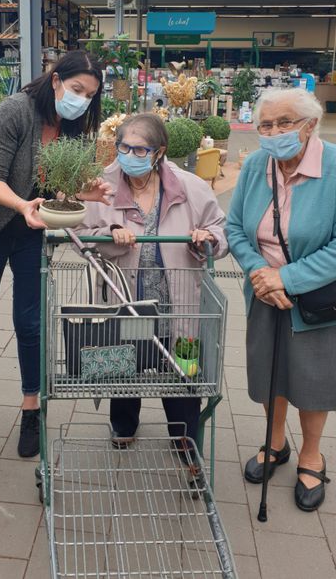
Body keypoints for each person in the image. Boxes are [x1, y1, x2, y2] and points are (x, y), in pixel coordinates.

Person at [0, 51, 111, 457]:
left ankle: (30, 407)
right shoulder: (15, 111)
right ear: (56, 80)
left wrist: (82, 192)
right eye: (77, 89)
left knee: (30, 321)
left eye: (90, 95)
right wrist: (23, 206)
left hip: (30, 232)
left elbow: (58, 185)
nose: (82, 100)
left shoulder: (74, 127)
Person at [227, 87, 336, 512]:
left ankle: (311, 455)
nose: (273, 132)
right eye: (265, 124)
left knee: (314, 378)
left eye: (284, 123)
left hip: (321, 295)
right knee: (271, 372)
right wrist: (261, 276)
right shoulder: (255, 166)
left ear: (310, 125)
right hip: (264, 292)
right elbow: (234, 228)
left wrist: (287, 278)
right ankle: (275, 442)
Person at [78, 113, 227, 457]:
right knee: (124, 364)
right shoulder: (102, 185)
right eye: (123, 147)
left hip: (180, 302)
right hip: (125, 297)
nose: (128, 155)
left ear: (160, 151)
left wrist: (205, 239)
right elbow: (81, 236)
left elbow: (219, 228)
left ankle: (184, 435)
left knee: (182, 370)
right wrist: (111, 237)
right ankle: (124, 424)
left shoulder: (189, 187)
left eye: (139, 150)